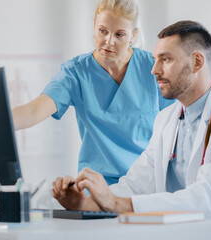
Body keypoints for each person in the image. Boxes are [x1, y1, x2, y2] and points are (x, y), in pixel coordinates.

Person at [52, 20, 211, 240]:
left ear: (197, 62)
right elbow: (136, 185)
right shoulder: (167, 119)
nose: (154, 70)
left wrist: (114, 203)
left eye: (165, 60)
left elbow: (208, 199)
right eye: (155, 60)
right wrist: (87, 203)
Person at [12, 0, 174, 185]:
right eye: (102, 31)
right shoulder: (76, 72)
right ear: (94, 27)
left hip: (145, 183)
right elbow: (33, 111)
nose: (108, 41)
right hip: (96, 185)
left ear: (133, 35)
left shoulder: (152, 67)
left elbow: (177, 121)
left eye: (119, 34)